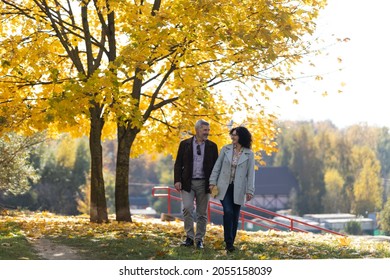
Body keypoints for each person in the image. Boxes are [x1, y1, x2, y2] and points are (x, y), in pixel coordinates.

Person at [209, 126, 255, 253]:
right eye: (232, 134)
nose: (232, 137)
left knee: (235, 216)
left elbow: (251, 174)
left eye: (235, 135)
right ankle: (228, 242)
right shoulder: (226, 149)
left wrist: (250, 190)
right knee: (228, 211)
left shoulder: (249, 154)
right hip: (224, 187)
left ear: (242, 137)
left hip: (239, 188)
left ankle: (231, 243)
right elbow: (217, 166)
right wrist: (212, 182)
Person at [174, 119, 219, 249]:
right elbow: (178, 164)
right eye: (205, 130)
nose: (207, 132)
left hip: (204, 184)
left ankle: (199, 239)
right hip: (188, 182)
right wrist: (177, 180)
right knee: (187, 208)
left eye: (208, 130)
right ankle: (189, 237)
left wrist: (213, 184)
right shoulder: (185, 144)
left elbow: (216, 167)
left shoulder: (212, 146)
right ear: (197, 130)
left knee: (201, 213)